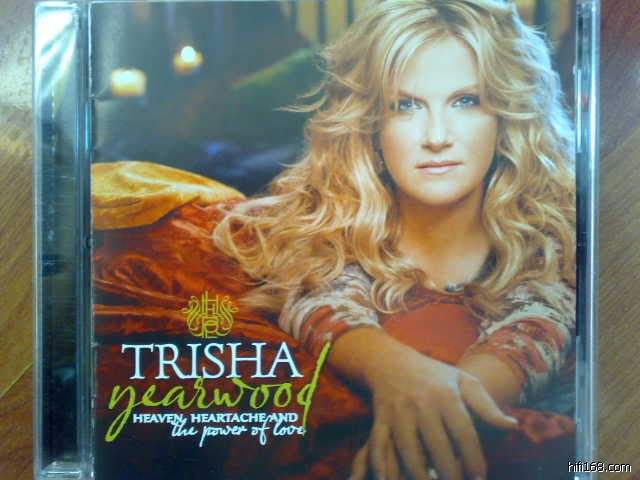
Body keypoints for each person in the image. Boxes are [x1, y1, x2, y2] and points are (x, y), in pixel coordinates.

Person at [214, 0, 576, 479]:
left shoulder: (564, 237)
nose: (437, 136)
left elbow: (540, 323)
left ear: (506, 115)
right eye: (406, 105)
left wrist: (436, 413)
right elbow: (321, 294)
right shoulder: (321, 232)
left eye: (466, 101)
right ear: (370, 124)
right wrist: (393, 369)